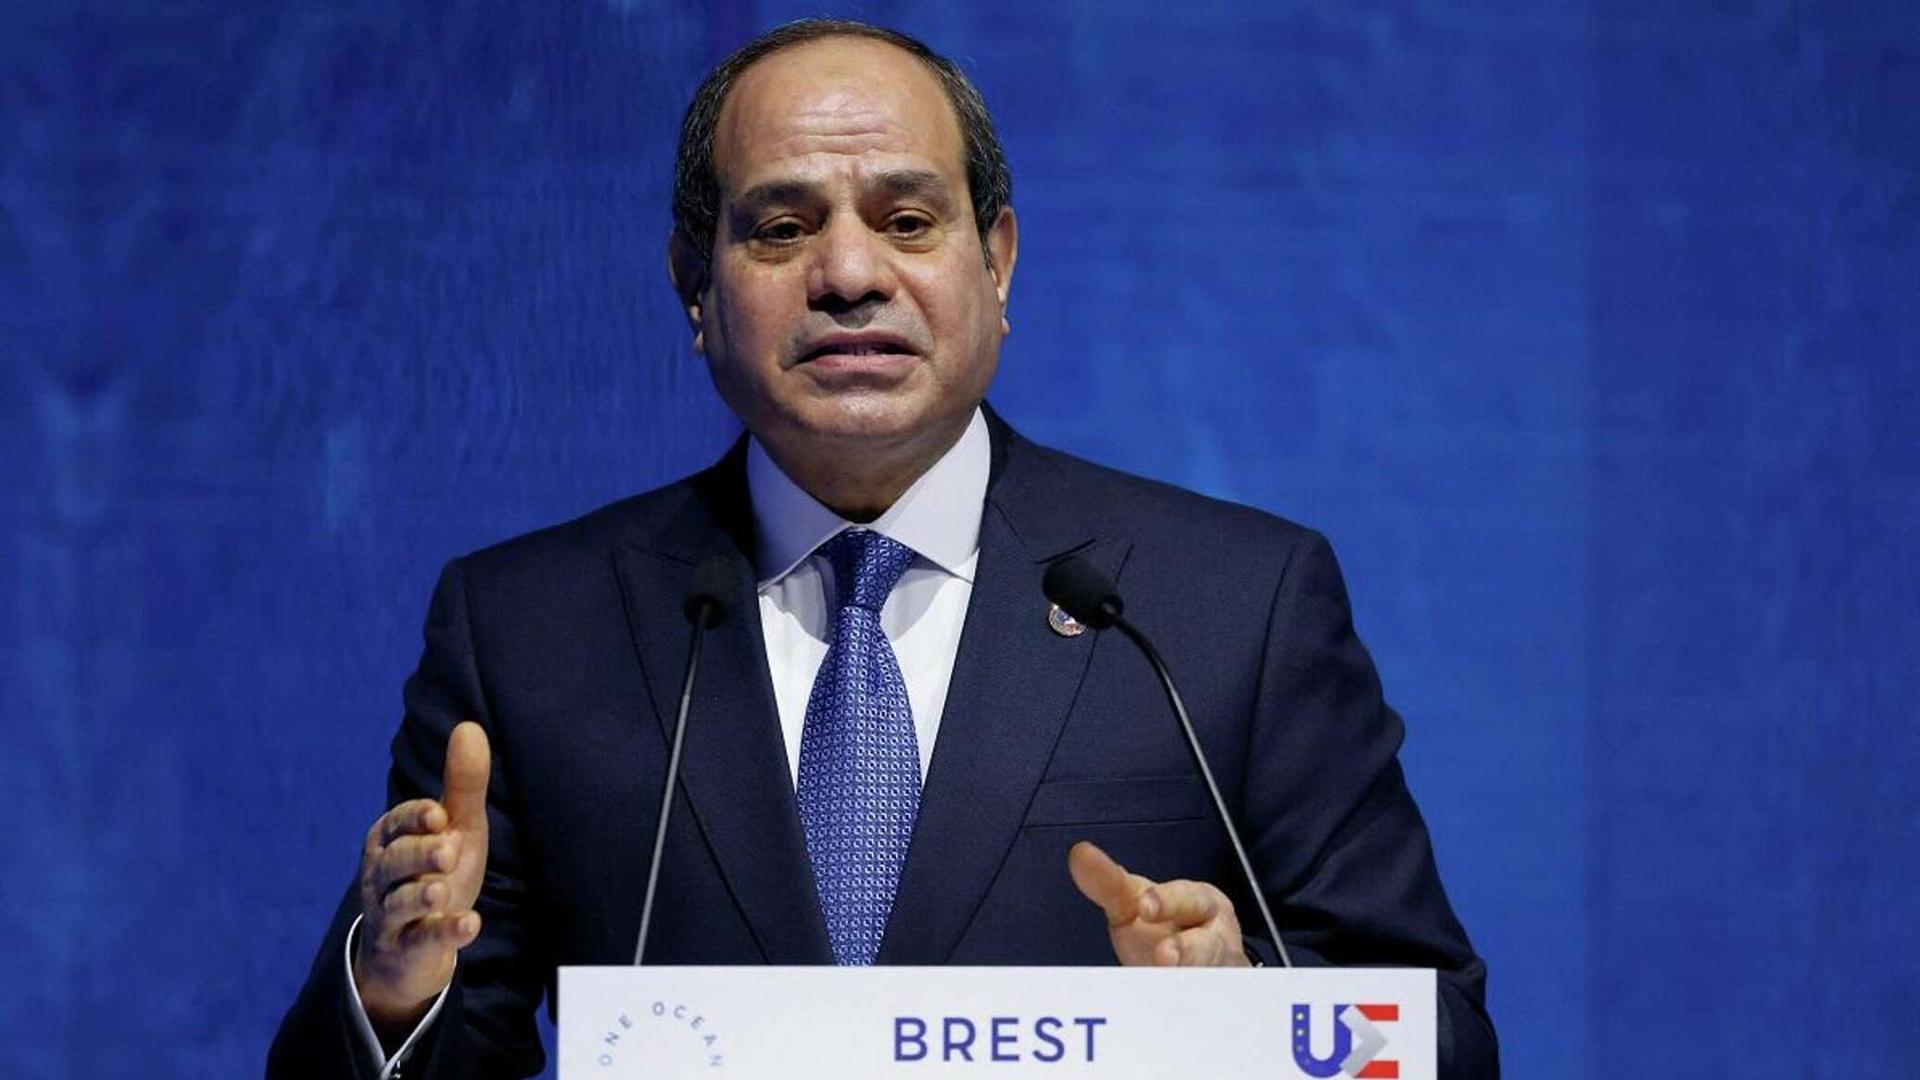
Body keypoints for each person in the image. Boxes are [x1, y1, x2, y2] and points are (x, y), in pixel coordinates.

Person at [270, 18, 1497, 1078]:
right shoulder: (530, 629)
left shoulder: (1229, 604)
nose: (850, 274)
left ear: (996, 262)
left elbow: (1439, 1038)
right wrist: (395, 994)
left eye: (908, 220)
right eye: (781, 228)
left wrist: (1249, 1011)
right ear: (694, 285)